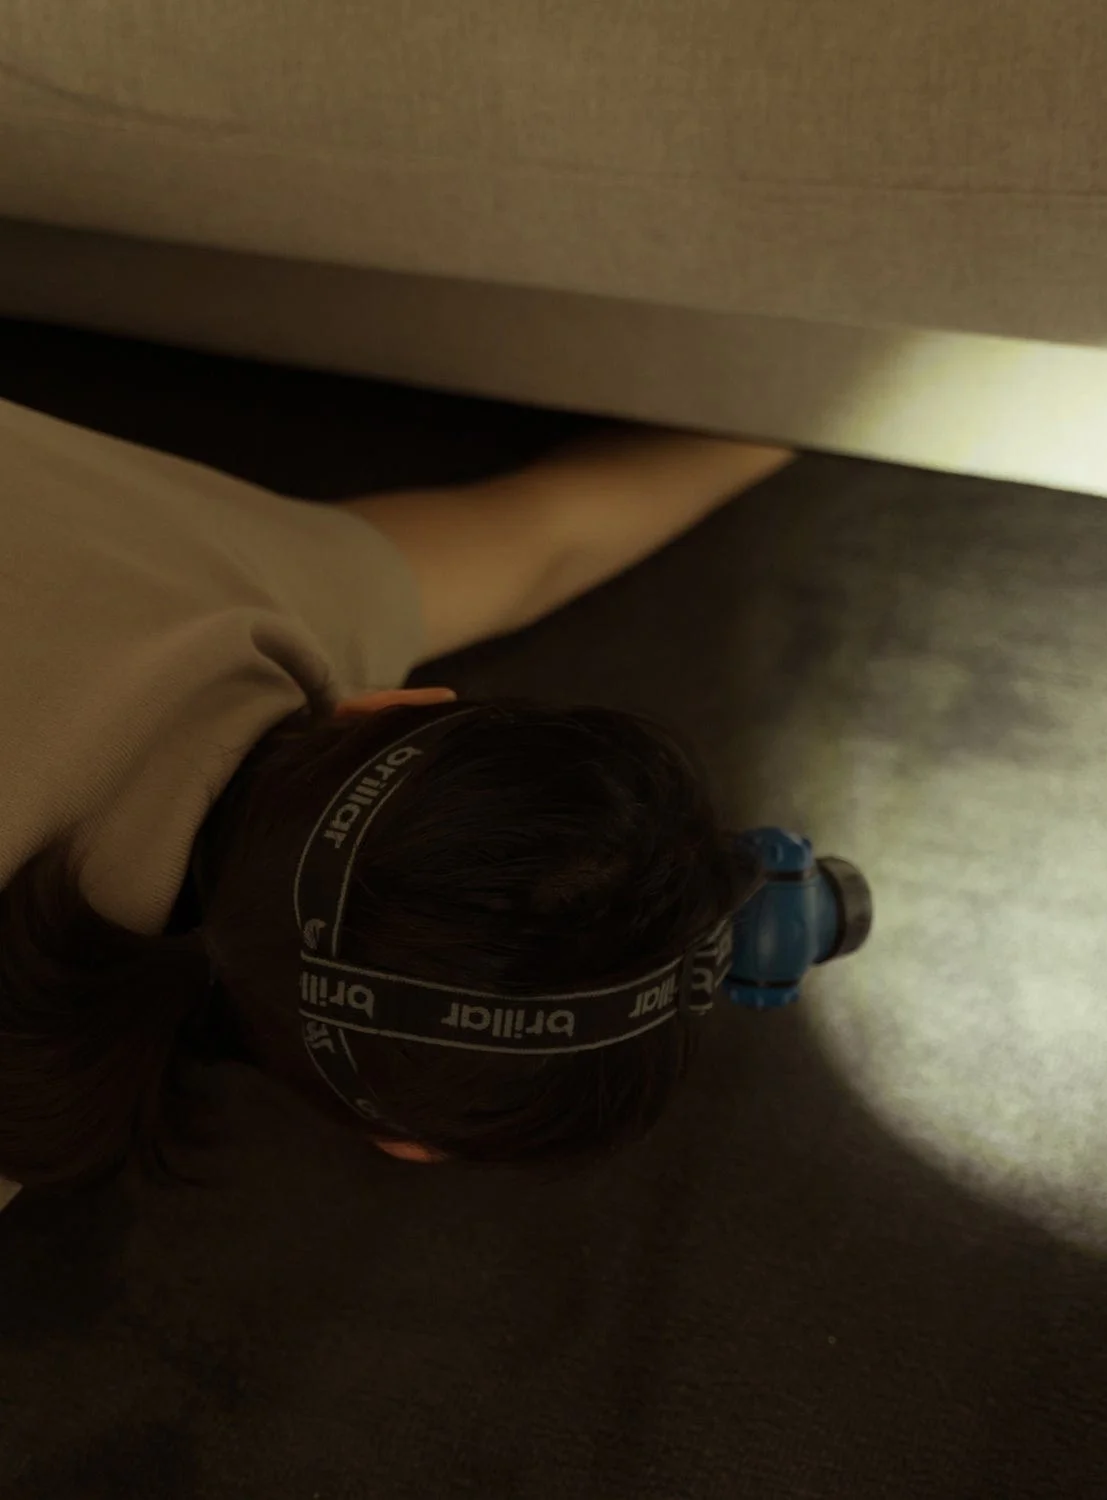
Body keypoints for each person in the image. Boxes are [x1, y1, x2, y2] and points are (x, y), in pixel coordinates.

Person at [0, 398, 794, 1194]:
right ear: (406, 1141)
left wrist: (808, 401)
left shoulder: (244, 594)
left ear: (389, 705)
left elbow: (549, 537)